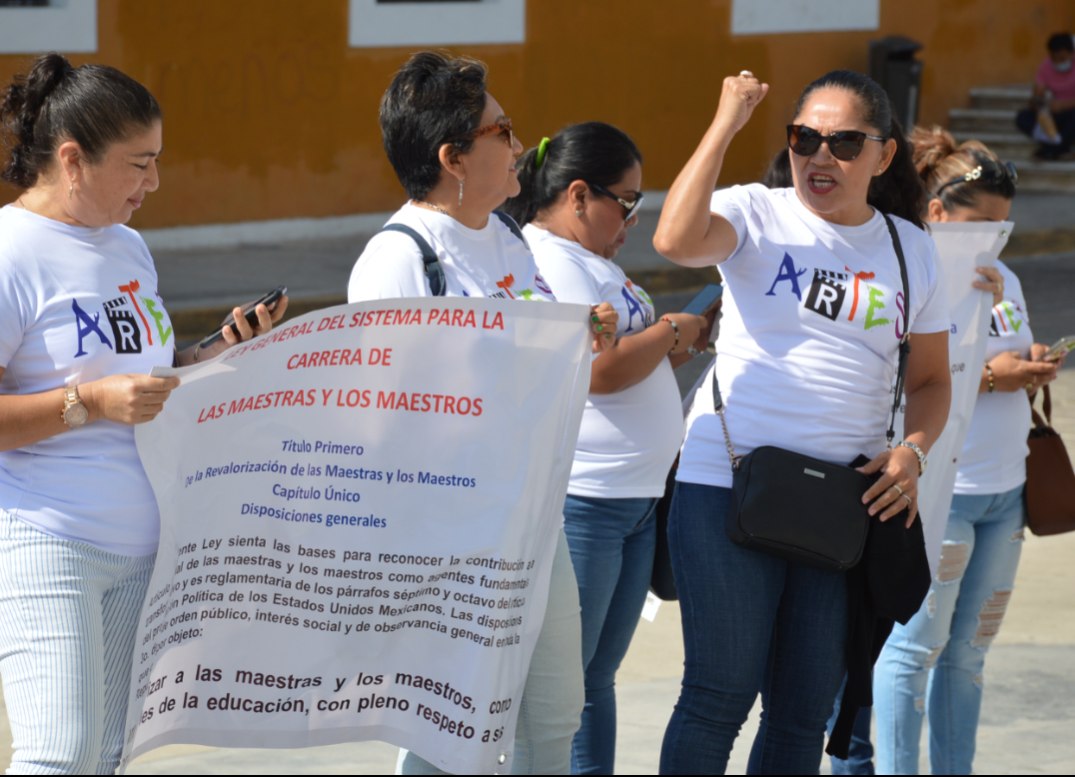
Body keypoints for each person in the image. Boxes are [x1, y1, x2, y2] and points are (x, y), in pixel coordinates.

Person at [0, 53, 286, 774]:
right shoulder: (1, 258)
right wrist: (85, 404)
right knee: (60, 755)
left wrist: (214, 353)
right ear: (72, 160)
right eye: (139, 164)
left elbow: (143, 375)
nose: (153, 183)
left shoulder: (127, 246)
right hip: (46, 540)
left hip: (138, 546)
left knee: (110, 755)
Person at [652, 69, 953, 774]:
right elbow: (673, 238)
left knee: (799, 714)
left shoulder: (911, 250)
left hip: (841, 501)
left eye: (844, 143)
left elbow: (932, 381)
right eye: (803, 138)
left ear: (882, 156)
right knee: (716, 696)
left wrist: (913, 450)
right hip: (724, 483)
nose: (820, 157)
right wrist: (725, 123)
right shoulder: (756, 213)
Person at [345, 51, 618, 776]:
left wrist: (570, 341)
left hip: (530, 519)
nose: (520, 143)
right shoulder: (397, 259)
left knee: (552, 717)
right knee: (448, 732)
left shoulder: (507, 239)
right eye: (504, 130)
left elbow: (529, 367)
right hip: (449, 541)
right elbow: (379, 420)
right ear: (453, 157)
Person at [502, 123, 715, 774]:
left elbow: (623, 358)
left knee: (594, 679)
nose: (630, 220)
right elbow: (598, 372)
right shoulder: (546, 260)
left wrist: (671, 340)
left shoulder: (591, 262)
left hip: (632, 499)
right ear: (576, 194)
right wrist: (674, 330)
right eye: (625, 203)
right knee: (565, 684)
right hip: (584, 502)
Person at [871, 126, 1063, 776]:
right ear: (935, 210)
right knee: (912, 650)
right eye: (980, 223)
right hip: (941, 495)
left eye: (1003, 227)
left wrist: (1031, 361)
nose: (994, 240)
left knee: (969, 654)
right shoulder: (912, 272)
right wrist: (990, 376)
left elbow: (1004, 348)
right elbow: (900, 382)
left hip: (1003, 495)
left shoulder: (1000, 275)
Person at [1014, 32, 1075, 161]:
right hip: (1059, 115)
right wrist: (1039, 107)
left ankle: (1049, 150)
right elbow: (1037, 96)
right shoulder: (1046, 66)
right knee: (1023, 118)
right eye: (1054, 58)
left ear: (1072, 53)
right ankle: (1064, 146)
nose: (1058, 62)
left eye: (1062, 58)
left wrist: (1063, 105)